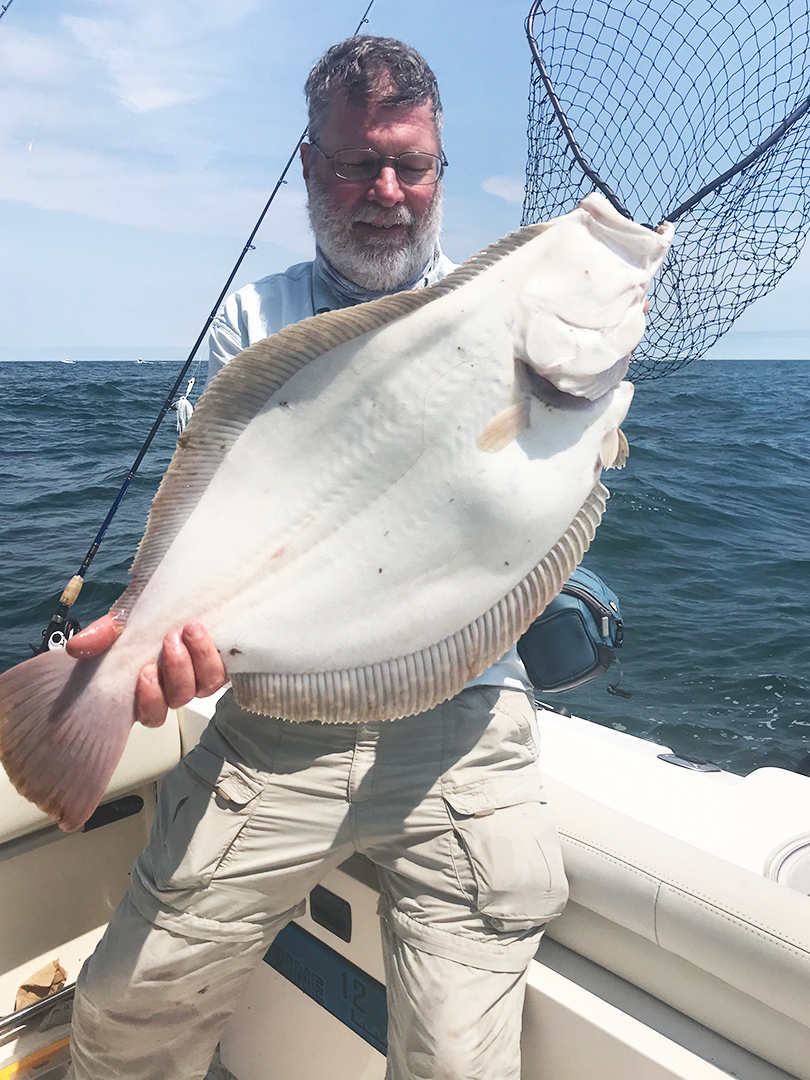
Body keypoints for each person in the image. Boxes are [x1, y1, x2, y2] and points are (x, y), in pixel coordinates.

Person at [65, 36, 568, 1080]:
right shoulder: (255, 325)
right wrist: (165, 640)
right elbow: (215, 540)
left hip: (465, 727)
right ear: (307, 165)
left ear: (438, 167)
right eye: (355, 163)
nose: (386, 192)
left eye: (411, 165)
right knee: (119, 1018)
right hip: (279, 728)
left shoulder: (511, 310)